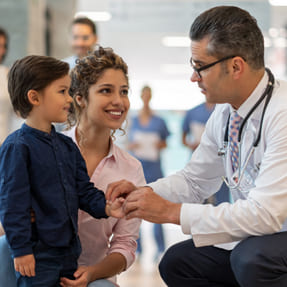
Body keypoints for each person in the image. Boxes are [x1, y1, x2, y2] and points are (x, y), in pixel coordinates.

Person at [106, 5, 287, 287]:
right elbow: (195, 180)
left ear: (236, 66)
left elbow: (266, 214)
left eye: (200, 67)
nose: (194, 78)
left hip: (275, 235)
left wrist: (170, 212)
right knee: (178, 262)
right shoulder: (226, 114)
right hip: (258, 236)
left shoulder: (282, 113)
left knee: (252, 259)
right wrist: (145, 194)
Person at [0, 55, 124, 287]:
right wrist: (22, 250)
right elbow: (12, 204)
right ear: (34, 97)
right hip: (36, 255)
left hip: (68, 251)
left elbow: (83, 190)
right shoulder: (17, 147)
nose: (69, 99)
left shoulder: (67, 146)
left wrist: (106, 206)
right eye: (62, 92)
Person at [60, 46, 145, 287]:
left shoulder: (131, 169)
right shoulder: (48, 150)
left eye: (124, 91)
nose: (119, 101)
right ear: (80, 98)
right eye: (106, 90)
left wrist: (92, 273)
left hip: (93, 277)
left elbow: (125, 244)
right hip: (39, 266)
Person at [127, 85, 169, 262]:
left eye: (148, 94)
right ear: (140, 96)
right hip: (137, 168)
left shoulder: (159, 121)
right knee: (135, 210)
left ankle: (160, 248)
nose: (146, 97)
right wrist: (133, 146)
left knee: (157, 208)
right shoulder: (132, 120)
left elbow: (166, 143)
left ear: (150, 96)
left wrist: (157, 144)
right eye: (143, 94)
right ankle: (137, 249)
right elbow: (126, 142)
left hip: (155, 168)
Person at [182, 101, 230, 205]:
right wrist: (192, 145)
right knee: (197, 202)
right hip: (199, 162)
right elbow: (183, 139)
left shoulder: (228, 111)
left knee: (222, 203)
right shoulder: (193, 112)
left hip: (222, 164)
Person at [0, 27, 12, 144]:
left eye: (4, 46)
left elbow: (18, 111)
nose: (2, 51)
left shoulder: (7, 73)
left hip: (3, 140)